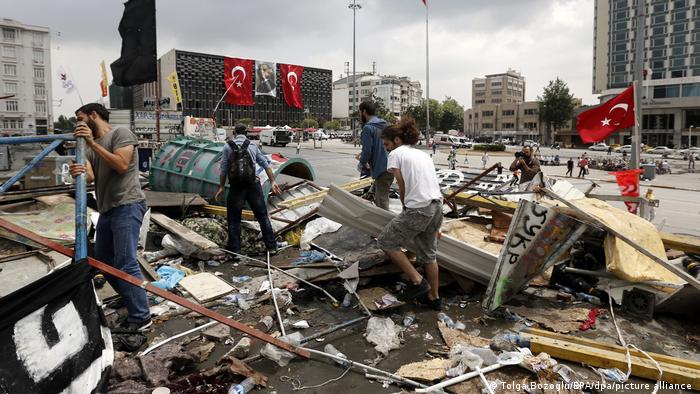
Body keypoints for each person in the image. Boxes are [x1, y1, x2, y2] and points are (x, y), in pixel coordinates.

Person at [68, 103, 151, 331]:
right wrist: (78, 172)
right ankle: (131, 296)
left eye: (80, 118)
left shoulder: (120, 133)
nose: (78, 124)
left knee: (125, 262)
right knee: (104, 262)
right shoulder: (87, 148)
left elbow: (122, 165)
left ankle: (141, 317)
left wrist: (92, 144)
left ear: (94, 115)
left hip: (128, 204)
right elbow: (92, 176)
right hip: (107, 210)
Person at [376, 117, 443, 309]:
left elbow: (401, 182)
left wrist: (405, 206)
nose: (386, 148)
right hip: (436, 206)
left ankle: (417, 281)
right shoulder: (421, 154)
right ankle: (434, 298)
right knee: (429, 255)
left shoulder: (396, 154)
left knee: (386, 242)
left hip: (419, 208)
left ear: (397, 141)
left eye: (387, 144)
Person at [215, 124, 282, 256]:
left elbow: (223, 169)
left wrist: (222, 186)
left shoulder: (228, 146)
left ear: (234, 132)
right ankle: (272, 247)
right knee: (262, 216)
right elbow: (265, 164)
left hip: (236, 187)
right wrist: (273, 181)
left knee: (234, 218)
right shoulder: (252, 145)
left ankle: (235, 251)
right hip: (252, 185)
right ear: (246, 133)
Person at [356, 101, 393, 210]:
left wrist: (362, 163)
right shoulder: (386, 125)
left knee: (381, 201)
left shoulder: (368, 128)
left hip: (381, 168)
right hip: (391, 165)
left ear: (364, 112)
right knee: (381, 197)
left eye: (360, 112)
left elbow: (367, 150)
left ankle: (385, 225)